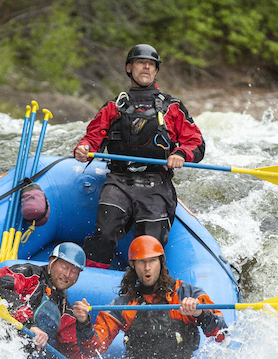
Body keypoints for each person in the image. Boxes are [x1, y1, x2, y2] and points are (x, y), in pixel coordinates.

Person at [73, 44, 206, 269]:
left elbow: (197, 143)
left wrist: (181, 153)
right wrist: (83, 148)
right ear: (129, 67)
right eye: (140, 62)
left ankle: (144, 293)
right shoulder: (113, 107)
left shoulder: (172, 107)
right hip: (119, 182)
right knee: (104, 234)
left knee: (149, 247)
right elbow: (92, 138)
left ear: (155, 70)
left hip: (156, 184)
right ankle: (91, 283)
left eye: (151, 64)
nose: (146, 66)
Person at [72, 235, 227, 359]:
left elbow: (222, 335)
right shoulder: (124, 304)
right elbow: (93, 350)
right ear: (133, 265)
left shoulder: (187, 294)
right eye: (141, 262)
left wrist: (199, 314)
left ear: (160, 262)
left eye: (152, 261)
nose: (147, 268)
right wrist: (84, 322)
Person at [0, 242, 92, 359]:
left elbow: (77, 353)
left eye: (74, 271)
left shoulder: (65, 312)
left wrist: (85, 323)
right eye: (64, 267)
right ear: (51, 262)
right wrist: (29, 324)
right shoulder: (29, 274)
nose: (67, 274)